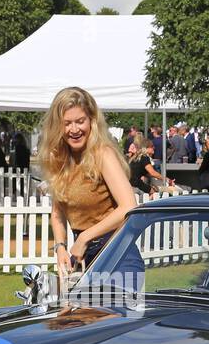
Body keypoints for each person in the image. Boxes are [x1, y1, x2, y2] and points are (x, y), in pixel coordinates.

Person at [38, 86, 137, 275]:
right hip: (82, 257)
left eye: (80, 121)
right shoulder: (59, 159)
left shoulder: (103, 154)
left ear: (92, 121)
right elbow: (57, 212)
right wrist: (60, 247)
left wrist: (84, 238)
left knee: (104, 306)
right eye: (67, 123)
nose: (74, 129)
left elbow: (129, 207)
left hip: (117, 257)